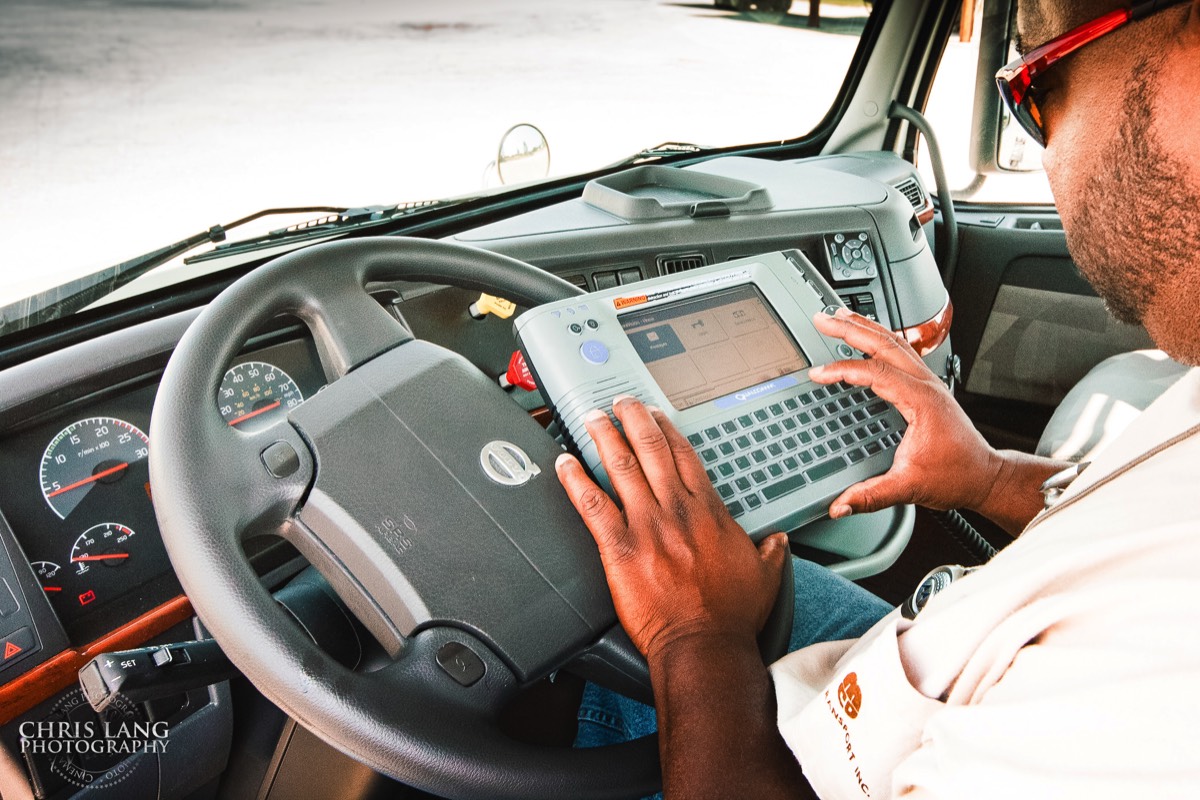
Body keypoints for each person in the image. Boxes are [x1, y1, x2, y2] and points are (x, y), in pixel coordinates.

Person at [554, 0, 1200, 796]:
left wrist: (695, 637)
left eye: (1037, 93)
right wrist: (991, 478)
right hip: (933, 670)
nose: (1050, 152)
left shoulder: (1161, 683)